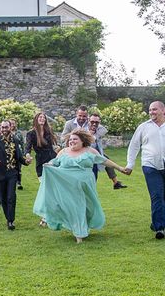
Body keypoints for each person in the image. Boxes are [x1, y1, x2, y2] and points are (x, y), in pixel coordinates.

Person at [34, 130, 129, 243]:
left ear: (82, 141)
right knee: (73, 207)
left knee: (86, 208)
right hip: (66, 186)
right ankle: (79, 233)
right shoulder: (63, 152)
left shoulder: (90, 151)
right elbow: (55, 162)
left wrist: (120, 168)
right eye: (70, 139)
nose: (72, 141)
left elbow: (105, 161)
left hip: (84, 186)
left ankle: (81, 228)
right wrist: (48, 164)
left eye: (75, 139)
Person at [62, 106, 127, 190]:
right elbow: (63, 138)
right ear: (76, 114)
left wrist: (94, 136)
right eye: (80, 116)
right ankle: (115, 182)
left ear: (87, 117)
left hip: (91, 156)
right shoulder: (70, 124)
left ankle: (115, 182)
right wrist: (73, 139)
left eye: (84, 116)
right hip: (74, 155)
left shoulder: (91, 125)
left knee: (102, 163)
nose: (82, 118)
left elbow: (104, 130)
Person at [126, 101, 165, 239]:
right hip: (150, 165)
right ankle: (160, 228)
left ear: (163, 110)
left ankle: (157, 222)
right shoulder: (143, 127)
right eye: (150, 110)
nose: (151, 112)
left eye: (154, 109)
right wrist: (130, 165)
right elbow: (134, 146)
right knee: (157, 196)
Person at [0, 120, 31, 230]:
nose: (4, 129)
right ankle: (8, 217)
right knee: (3, 198)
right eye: (3, 127)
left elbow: (19, 157)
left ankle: (11, 220)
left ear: (10, 127)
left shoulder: (15, 140)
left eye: (6, 127)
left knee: (11, 197)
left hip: (12, 173)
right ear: (0, 128)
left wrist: (26, 162)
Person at [25, 112, 58, 180]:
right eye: (40, 117)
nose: (42, 119)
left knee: (54, 183)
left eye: (44, 117)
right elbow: (28, 147)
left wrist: (57, 148)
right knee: (43, 183)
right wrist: (28, 155)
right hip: (41, 161)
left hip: (52, 159)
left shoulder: (49, 131)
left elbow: (54, 144)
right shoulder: (31, 133)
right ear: (36, 119)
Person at [10, 119, 25, 190]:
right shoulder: (6, 132)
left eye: (13, 123)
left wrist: (24, 153)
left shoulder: (19, 133)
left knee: (18, 168)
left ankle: (19, 183)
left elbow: (22, 143)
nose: (12, 125)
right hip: (9, 153)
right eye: (11, 123)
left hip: (18, 152)